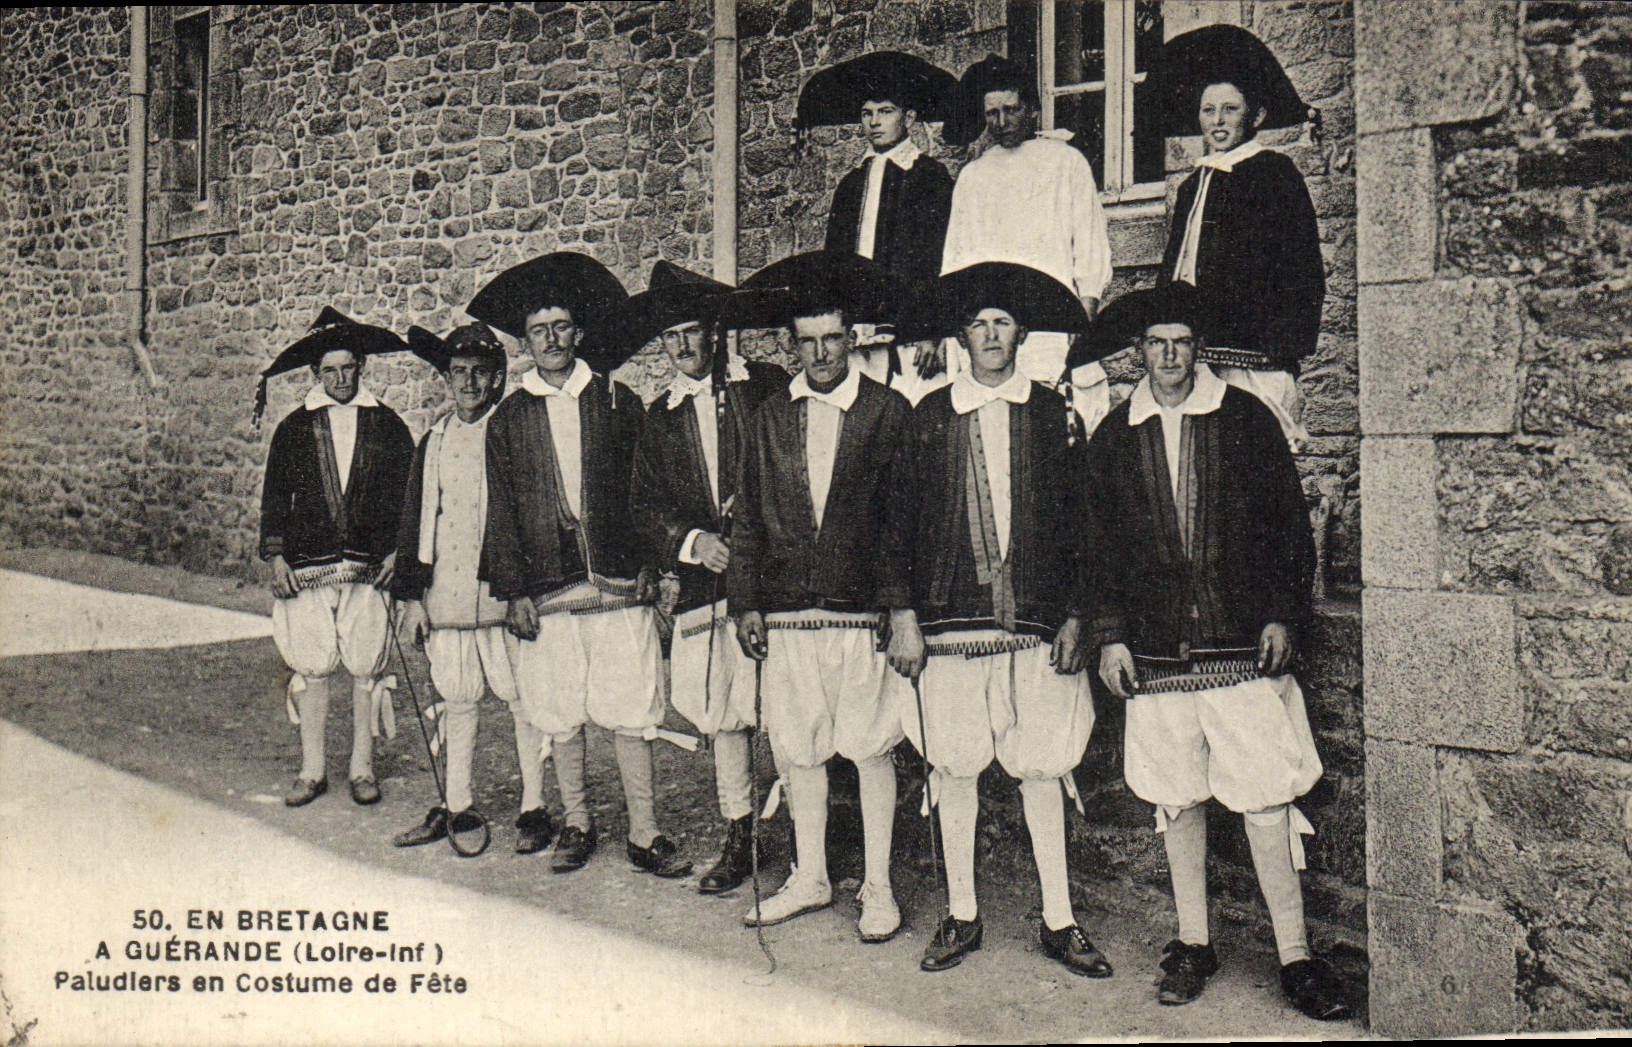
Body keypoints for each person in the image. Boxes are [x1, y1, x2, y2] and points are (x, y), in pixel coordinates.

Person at [1082, 285, 1349, 1021]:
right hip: (1157, 651)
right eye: (1156, 344)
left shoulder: (1245, 420)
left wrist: (1281, 615)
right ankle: (1194, 941)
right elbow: (1096, 547)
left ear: (1199, 348)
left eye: (1181, 342)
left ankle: (1295, 954)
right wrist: (1110, 634)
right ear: (1139, 352)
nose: (1169, 357)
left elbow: (1286, 527)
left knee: (1265, 793)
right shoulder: (1114, 434)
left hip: (1239, 641)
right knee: (1176, 794)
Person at [880, 263, 1108, 977]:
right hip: (949, 627)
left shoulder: (1052, 413)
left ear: (1022, 334)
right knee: (954, 766)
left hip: (1037, 625)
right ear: (960, 336)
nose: (989, 335)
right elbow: (896, 527)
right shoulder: (927, 416)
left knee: (1042, 766)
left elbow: (1082, 522)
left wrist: (1076, 613)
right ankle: (962, 912)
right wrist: (904, 616)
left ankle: (1059, 918)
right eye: (977, 324)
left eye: (1002, 323)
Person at [469, 252, 692, 880]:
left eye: (563, 327)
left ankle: (645, 832)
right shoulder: (509, 418)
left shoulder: (618, 401)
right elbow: (503, 508)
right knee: (560, 709)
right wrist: (514, 591)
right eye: (540, 331)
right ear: (525, 341)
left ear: (579, 332)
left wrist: (653, 564)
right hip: (548, 588)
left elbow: (646, 491)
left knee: (630, 707)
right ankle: (577, 821)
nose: (552, 341)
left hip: (620, 583)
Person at [728, 286, 911, 941]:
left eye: (832, 337)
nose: (821, 352)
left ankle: (880, 885)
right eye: (807, 340)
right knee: (799, 748)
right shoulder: (772, 416)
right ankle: (811, 876)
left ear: (853, 335)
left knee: (869, 746)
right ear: (790, 345)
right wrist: (745, 599)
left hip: (859, 613)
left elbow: (901, 520)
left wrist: (897, 603)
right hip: (788, 611)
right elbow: (748, 515)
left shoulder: (887, 410)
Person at [628, 261, 787, 895]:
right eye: (671, 337)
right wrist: (693, 543)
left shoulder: (764, 387)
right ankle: (740, 830)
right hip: (706, 586)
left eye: (693, 332)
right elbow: (643, 505)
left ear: (715, 333)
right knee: (723, 710)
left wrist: (755, 531)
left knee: (787, 705)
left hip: (774, 579)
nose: (684, 347)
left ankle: (814, 833)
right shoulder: (660, 414)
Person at [389, 323, 555, 856]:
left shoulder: (515, 432)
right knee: (458, 700)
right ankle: (456, 804)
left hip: (507, 597)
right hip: (450, 596)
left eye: (479, 373)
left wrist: (525, 590)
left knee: (523, 700)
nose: (468, 383)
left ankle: (534, 807)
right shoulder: (433, 441)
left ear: (497, 378)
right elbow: (418, 522)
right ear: (447, 379)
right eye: (458, 373)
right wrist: (413, 599)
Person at [255, 307, 415, 808]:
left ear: (361, 367)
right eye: (330, 371)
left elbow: (409, 498)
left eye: (349, 368)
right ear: (315, 374)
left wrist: (398, 553)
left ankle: (362, 768)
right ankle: (312, 769)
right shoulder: (294, 429)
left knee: (366, 668)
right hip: (307, 568)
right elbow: (276, 498)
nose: (341, 378)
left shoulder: (388, 426)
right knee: (313, 666)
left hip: (369, 569)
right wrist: (277, 558)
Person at [1153, 24, 1324, 448]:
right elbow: (1179, 263)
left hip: (1254, 356)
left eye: (1230, 109)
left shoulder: (1273, 174)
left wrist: (1279, 346)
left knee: (1259, 464)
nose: (1218, 121)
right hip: (1201, 355)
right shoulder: (1194, 185)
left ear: (1256, 116)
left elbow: (1303, 268)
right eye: (1209, 111)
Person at [940, 55, 1113, 429]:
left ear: (1032, 110)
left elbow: (1089, 245)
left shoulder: (1067, 163)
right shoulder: (973, 177)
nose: (1001, 123)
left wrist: (1084, 318)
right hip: (993, 324)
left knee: (1054, 422)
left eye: (1011, 110)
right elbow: (955, 260)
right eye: (992, 114)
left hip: (1054, 318)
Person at [813, 53, 957, 405]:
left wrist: (935, 330)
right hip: (859, 337)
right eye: (867, 113)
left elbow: (946, 255)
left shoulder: (929, 177)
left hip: (914, 337)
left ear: (908, 117)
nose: (874, 122)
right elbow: (835, 264)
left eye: (885, 111)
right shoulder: (851, 184)